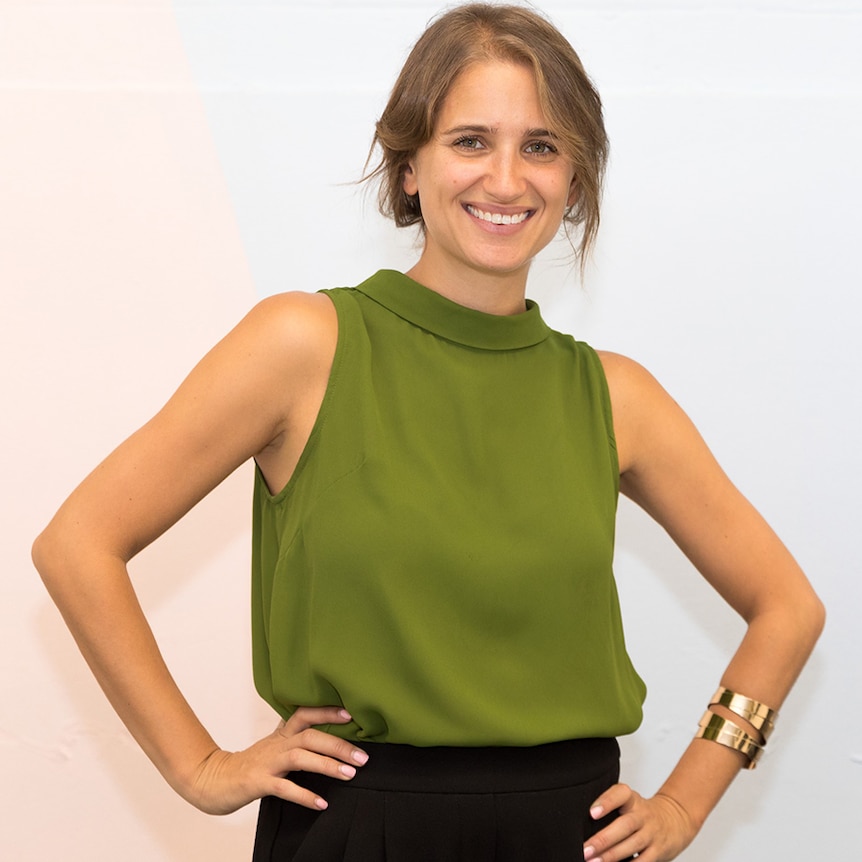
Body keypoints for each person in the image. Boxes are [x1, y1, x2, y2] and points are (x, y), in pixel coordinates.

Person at [32, 4, 824, 861]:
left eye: (543, 146)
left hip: (570, 833)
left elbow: (788, 607)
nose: (508, 178)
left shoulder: (614, 395)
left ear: (576, 179)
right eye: (471, 141)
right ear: (409, 166)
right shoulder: (305, 345)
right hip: (358, 826)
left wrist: (685, 802)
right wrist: (198, 767)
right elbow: (78, 544)